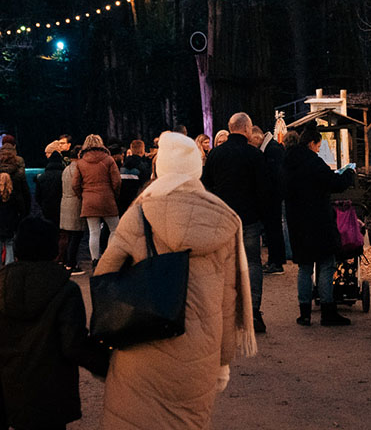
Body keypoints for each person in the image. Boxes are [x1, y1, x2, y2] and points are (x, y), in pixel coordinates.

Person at [96, 132, 257, 429]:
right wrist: (222, 362)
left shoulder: (139, 213)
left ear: (161, 168)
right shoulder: (225, 220)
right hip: (199, 357)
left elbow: (103, 275)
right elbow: (226, 301)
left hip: (141, 345)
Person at [0, 217, 110, 430]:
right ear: (53, 249)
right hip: (53, 396)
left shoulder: (1, 295)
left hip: (13, 398)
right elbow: (73, 345)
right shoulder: (66, 290)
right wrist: (109, 365)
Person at [201, 112, 273, 334]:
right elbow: (264, 190)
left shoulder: (215, 155)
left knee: (223, 265)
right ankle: (253, 313)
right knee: (252, 264)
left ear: (230, 128)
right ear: (247, 129)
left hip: (222, 219)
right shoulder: (255, 156)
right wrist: (264, 217)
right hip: (249, 218)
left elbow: (205, 186)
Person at [284, 125, 356, 327]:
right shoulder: (314, 163)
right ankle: (328, 310)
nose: (318, 149)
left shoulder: (288, 162)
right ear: (311, 143)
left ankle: (305, 313)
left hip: (297, 222)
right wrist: (349, 173)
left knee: (304, 267)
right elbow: (335, 183)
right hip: (319, 222)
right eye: (318, 145)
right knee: (326, 264)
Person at [72, 134, 121, 271]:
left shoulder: (80, 162)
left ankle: (95, 259)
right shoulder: (109, 160)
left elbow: (75, 184)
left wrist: (82, 195)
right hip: (107, 198)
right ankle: (109, 257)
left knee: (93, 232)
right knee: (114, 229)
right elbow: (117, 181)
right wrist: (114, 194)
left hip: (89, 199)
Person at [254, 125, 288, 275]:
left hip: (273, 196)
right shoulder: (271, 148)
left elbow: (276, 176)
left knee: (274, 229)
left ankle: (277, 262)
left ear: (257, 138)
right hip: (274, 195)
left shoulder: (272, 150)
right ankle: (275, 260)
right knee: (273, 229)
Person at [0, 172, 26, 272]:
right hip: (10, 224)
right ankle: (9, 268)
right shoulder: (13, 194)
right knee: (9, 246)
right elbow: (21, 209)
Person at [35, 143, 68, 258]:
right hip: (62, 207)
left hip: (47, 208)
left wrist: (43, 204)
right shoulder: (64, 175)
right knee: (63, 233)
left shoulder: (42, 177)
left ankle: (49, 254)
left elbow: (37, 196)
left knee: (49, 231)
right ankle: (61, 257)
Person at [59, 154, 84, 274]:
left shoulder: (66, 169)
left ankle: (66, 262)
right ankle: (71, 263)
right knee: (76, 235)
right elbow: (77, 186)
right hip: (76, 203)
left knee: (69, 235)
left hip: (65, 203)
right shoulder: (78, 169)